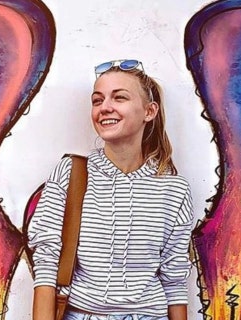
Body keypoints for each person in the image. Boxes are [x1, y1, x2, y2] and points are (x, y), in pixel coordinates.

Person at [28, 59, 193, 320]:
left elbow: (174, 280)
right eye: (97, 100)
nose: (105, 108)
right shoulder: (70, 173)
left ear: (149, 112)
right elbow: (46, 262)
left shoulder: (174, 189)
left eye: (119, 98)